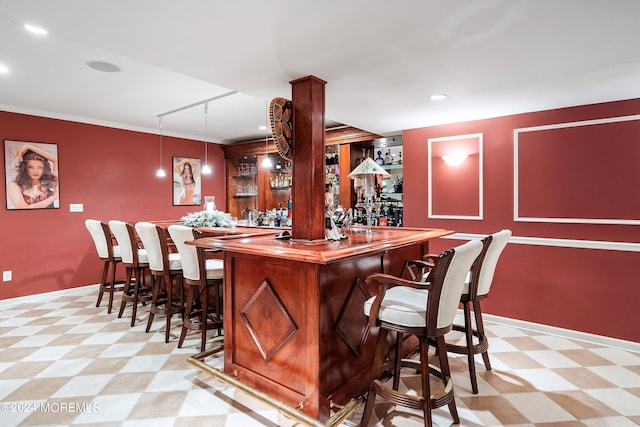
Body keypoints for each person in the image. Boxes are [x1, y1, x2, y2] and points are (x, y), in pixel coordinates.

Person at [6, 143, 59, 209]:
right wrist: (53, 198)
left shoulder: (50, 183)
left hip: (52, 218)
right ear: (25, 168)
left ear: (44, 168)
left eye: (40, 167)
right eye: (30, 167)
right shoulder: (13, 186)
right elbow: (22, 208)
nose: (35, 171)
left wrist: (29, 146)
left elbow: (56, 160)